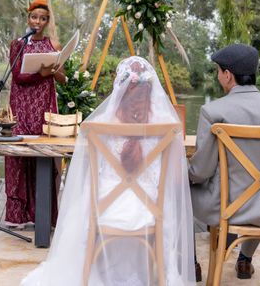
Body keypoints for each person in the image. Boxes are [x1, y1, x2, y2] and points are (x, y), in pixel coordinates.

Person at [21, 57, 196, 286]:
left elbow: (87, 174)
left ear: (119, 87)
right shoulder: (168, 125)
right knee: (166, 200)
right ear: (151, 90)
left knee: (85, 197)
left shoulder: (101, 123)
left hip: (105, 211)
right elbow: (175, 179)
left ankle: (89, 274)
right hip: (149, 213)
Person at [188, 43, 260, 281]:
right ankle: (245, 260)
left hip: (230, 209)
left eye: (218, 71)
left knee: (179, 190)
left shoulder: (212, 111)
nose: (218, 77)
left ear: (227, 75)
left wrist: (184, 175)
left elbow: (201, 171)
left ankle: (191, 264)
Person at [4, 0, 67, 227]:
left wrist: (54, 70)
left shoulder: (54, 46)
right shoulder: (18, 44)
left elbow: (62, 78)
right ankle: (18, 216)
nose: (38, 21)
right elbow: (18, 78)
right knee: (18, 157)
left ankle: (44, 216)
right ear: (28, 18)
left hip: (43, 107)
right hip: (21, 106)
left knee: (44, 157)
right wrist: (41, 73)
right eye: (34, 17)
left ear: (48, 21)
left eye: (43, 18)